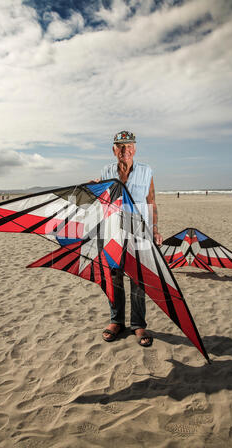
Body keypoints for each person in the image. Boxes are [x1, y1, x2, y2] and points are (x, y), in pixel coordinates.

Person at [99, 131, 163, 347]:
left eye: (128, 146)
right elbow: (102, 198)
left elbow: (151, 201)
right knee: (115, 277)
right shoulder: (107, 171)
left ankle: (138, 324)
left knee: (138, 279)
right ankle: (116, 321)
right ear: (114, 150)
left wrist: (155, 230)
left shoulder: (146, 171)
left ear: (134, 149)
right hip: (114, 232)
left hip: (140, 232)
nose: (125, 150)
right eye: (120, 146)